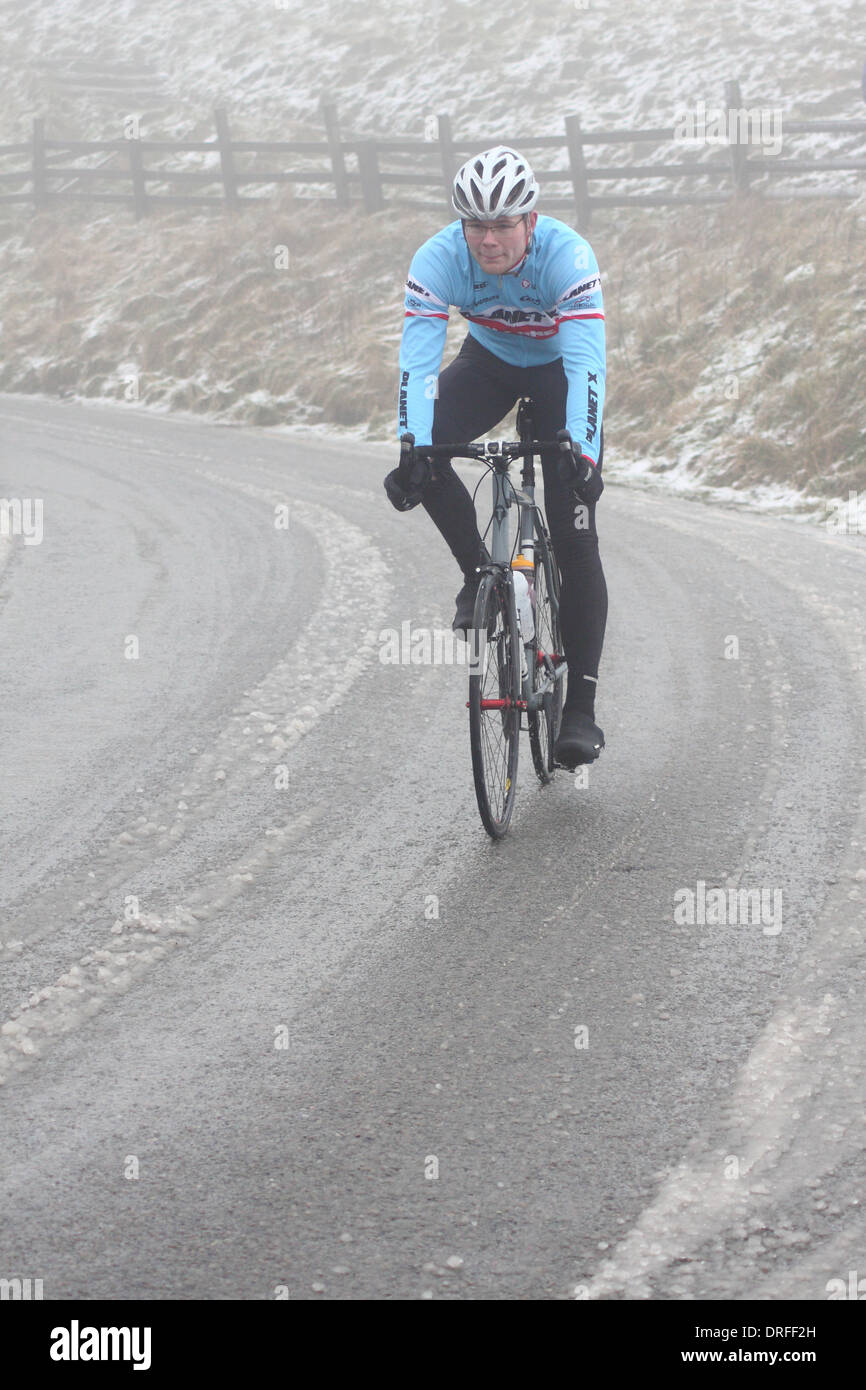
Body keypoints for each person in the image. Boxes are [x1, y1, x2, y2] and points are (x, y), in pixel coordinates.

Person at [384, 146, 607, 768]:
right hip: (490, 364)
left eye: (503, 224)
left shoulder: (569, 256)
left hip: (562, 374)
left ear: (530, 221)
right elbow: (420, 362)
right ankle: (481, 575)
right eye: (475, 225)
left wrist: (583, 452)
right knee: (427, 453)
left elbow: (588, 361)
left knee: (574, 533)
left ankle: (581, 709)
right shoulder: (438, 259)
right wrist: (411, 444)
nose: (487, 240)